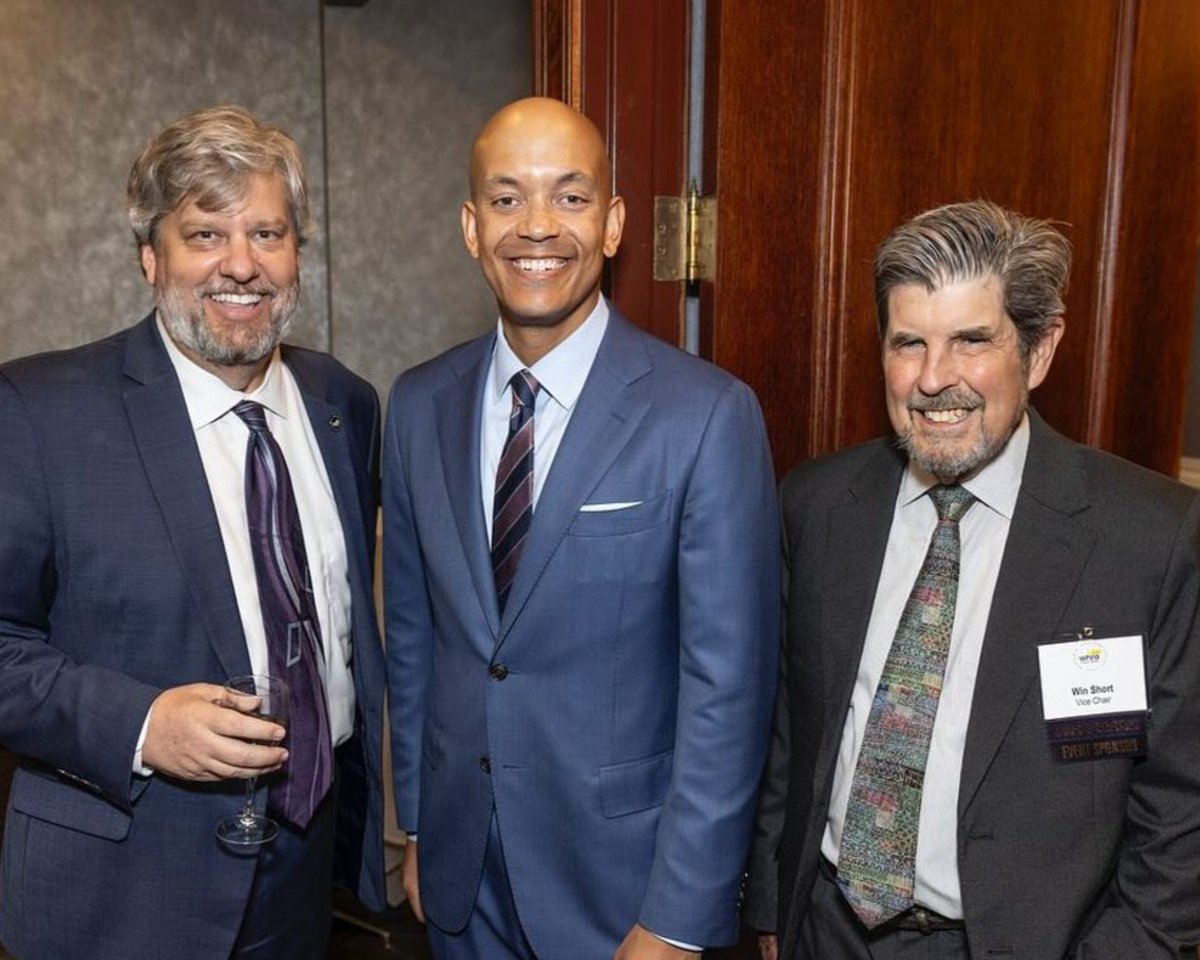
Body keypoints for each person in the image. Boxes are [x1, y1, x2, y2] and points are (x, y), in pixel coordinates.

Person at [745, 200, 1200, 959]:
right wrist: (771, 904)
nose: (933, 378)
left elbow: (1182, 810)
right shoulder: (820, 504)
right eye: (908, 343)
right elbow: (793, 728)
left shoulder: (1148, 539)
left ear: (1040, 350)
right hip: (822, 927)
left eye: (970, 341)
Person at [383, 96, 780, 960]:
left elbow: (730, 691)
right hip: (461, 876)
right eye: (505, 198)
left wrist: (679, 917)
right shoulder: (415, 406)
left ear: (613, 224)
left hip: (623, 893)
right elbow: (414, 639)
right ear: (469, 225)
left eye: (569, 197)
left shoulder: (705, 415)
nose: (536, 227)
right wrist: (416, 826)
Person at [0, 105, 386, 960]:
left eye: (267, 233)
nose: (241, 264)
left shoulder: (345, 407)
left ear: (298, 256)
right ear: (151, 257)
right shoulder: (36, 413)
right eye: (205, 233)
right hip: (121, 893)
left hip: (304, 875)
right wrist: (141, 724)